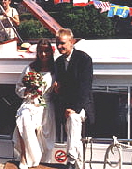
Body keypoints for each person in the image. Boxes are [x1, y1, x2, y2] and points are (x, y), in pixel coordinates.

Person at [55, 28, 95, 169]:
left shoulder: (84, 59)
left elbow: (85, 87)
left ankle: (70, 158)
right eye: (57, 44)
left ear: (72, 42)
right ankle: (78, 165)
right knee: (74, 131)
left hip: (82, 105)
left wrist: (74, 109)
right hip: (66, 107)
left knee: (73, 119)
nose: (59, 47)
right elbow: (62, 86)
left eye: (62, 43)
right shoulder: (59, 62)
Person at [13, 39, 56, 169]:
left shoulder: (56, 69)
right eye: (41, 51)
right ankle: (24, 158)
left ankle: (39, 161)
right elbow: (18, 88)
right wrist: (26, 90)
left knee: (44, 138)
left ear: (51, 52)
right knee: (23, 118)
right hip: (30, 102)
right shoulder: (30, 68)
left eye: (46, 51)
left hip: (46, 105)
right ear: (37, 53)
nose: (43, 54)